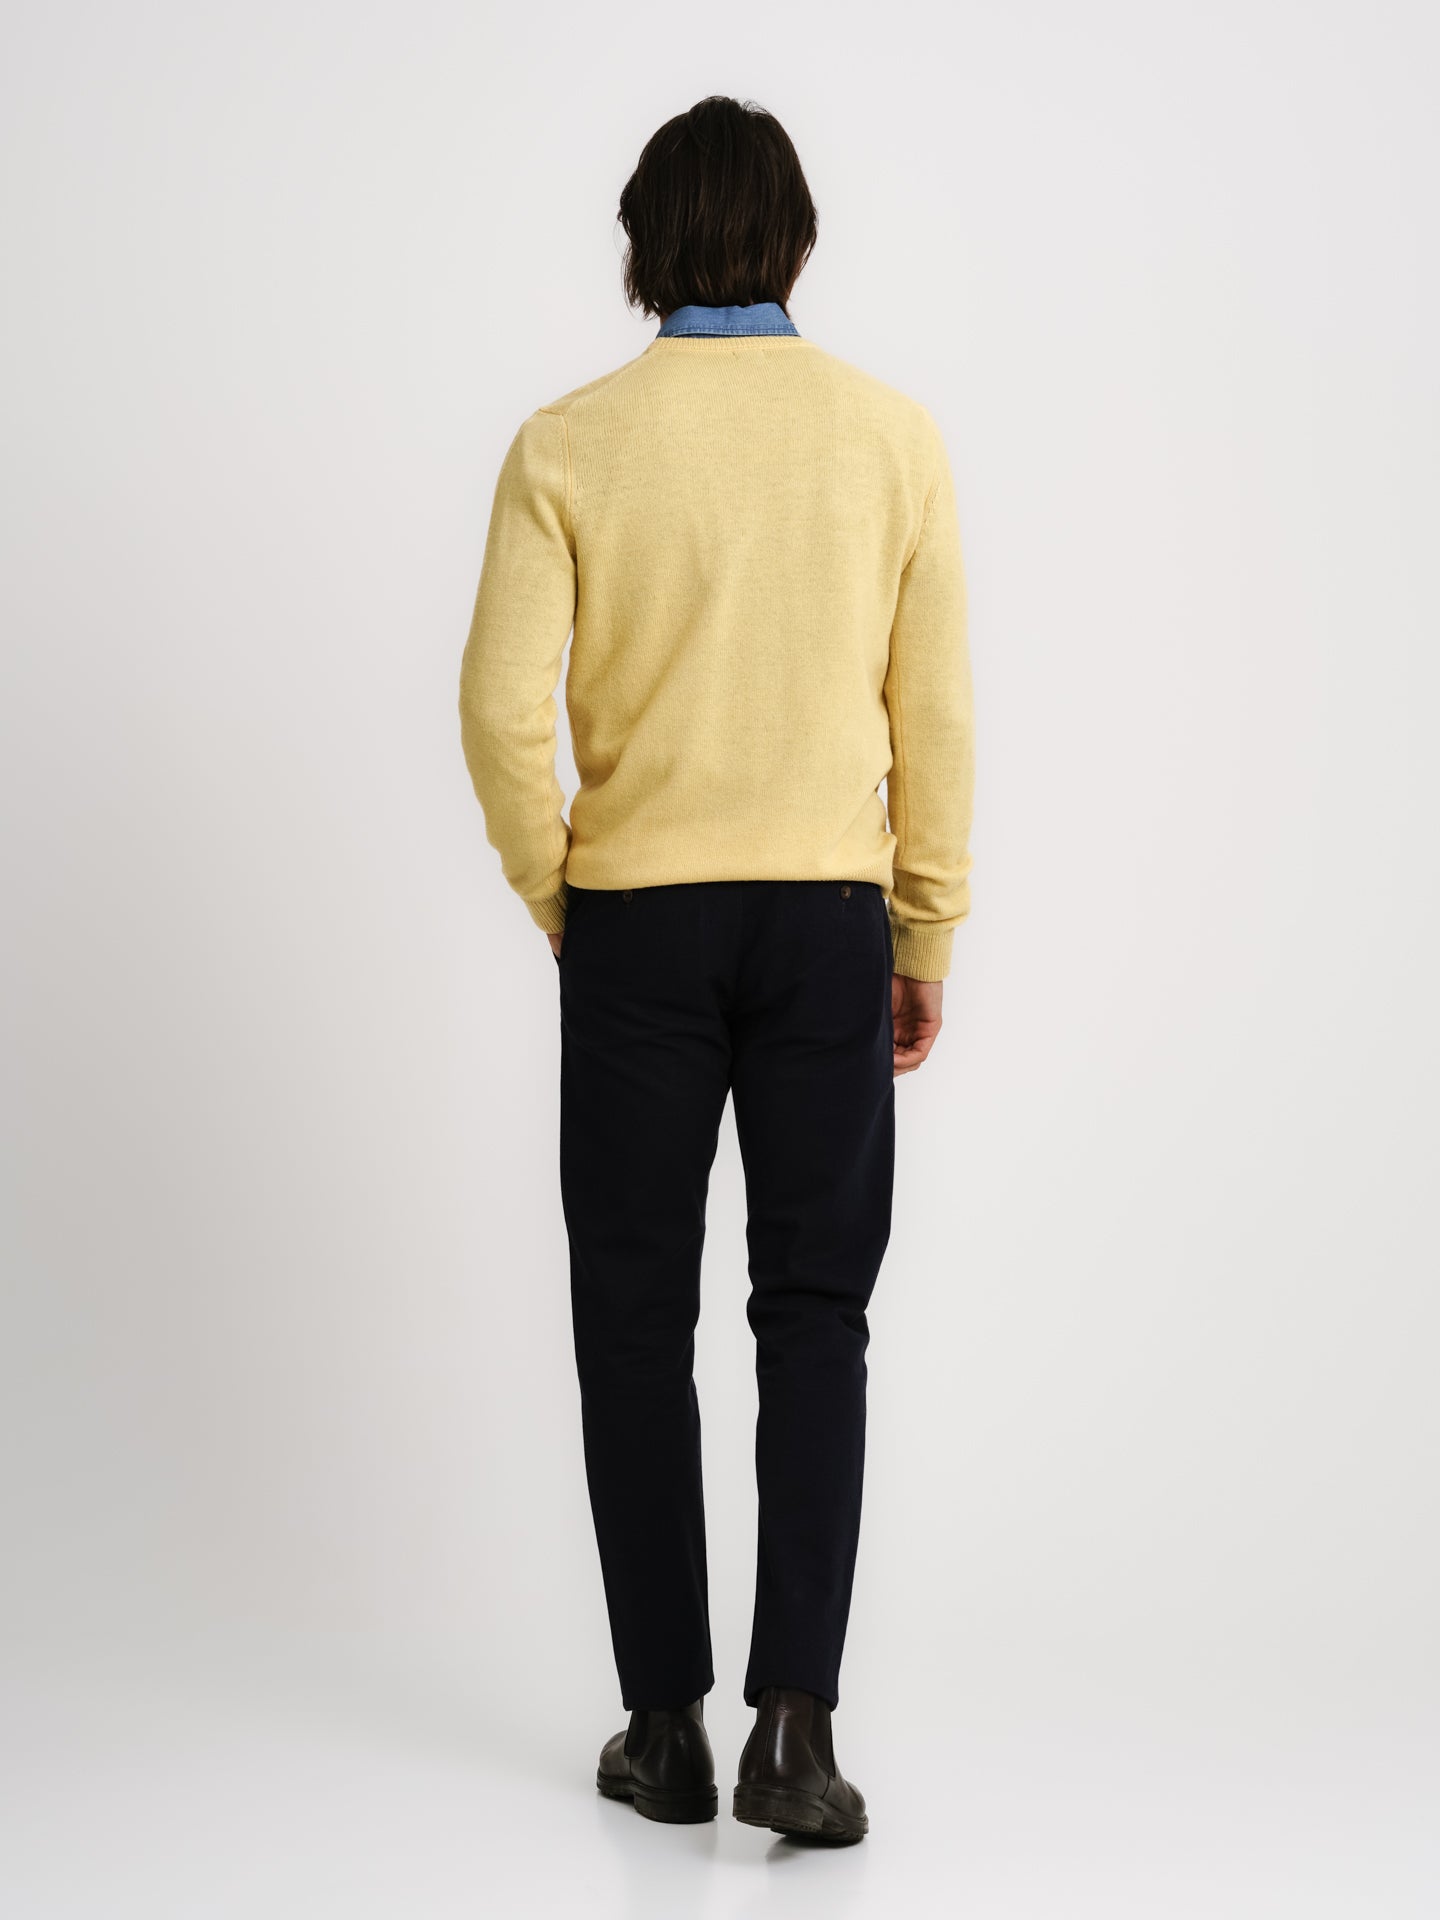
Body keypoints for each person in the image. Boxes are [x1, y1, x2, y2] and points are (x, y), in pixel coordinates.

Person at [458, 94, 974, 1844]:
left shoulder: (569, 446)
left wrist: (566, 893)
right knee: (815, 1315)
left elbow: (496, 713)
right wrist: (924, 929)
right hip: (828, 920)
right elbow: (937, 717)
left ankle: (663, 1728)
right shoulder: (890, 440)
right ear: (799, 243)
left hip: (640, 923)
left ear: (642, 250)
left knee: (633, 1316)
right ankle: (796, 1736)